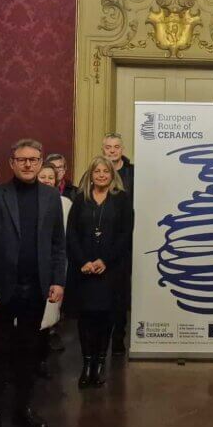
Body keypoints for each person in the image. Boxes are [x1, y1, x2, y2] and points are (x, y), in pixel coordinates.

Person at [0, 139, 66, 427]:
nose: (28, 164)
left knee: (29, 354)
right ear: (12, 163)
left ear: (41, 162)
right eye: (22, 159)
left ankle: (22, 409)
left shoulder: (51, 197)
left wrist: (58, 280)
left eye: (34, 159)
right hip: (0, 291)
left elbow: (57, 243)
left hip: (36, 288)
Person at [66, 157, 133, 388]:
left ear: (112, 175)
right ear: (91, 175)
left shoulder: (122, 199)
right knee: (86, 318)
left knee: (106, 317)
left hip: (111, 271)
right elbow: (71, 234)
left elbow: (126, 234)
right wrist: (83, 261)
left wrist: (105, 260)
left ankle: (100, 364)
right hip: (84, 271)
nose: (102, 175)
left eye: (106, 171)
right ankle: (87, 364)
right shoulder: (80, 199)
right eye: (97, 171)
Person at [101, 132, 134, 355]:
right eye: (108, 147)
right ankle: (102, 337)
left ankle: (119, 337)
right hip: (101, 240)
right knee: (103, 291)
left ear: (122, 149)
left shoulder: (133, 173)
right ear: (103, 149)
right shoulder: (96, 172)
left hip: (127, 239)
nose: (112, 151)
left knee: (121, 291)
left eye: (116, 147)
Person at [38, 163, 73, 357]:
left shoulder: (66, 203)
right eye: (42, 176)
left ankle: (46, 348)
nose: (46, 181)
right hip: (35, 265)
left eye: (50, 177)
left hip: (58, 262)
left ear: (57, 181)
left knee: (51, 310)